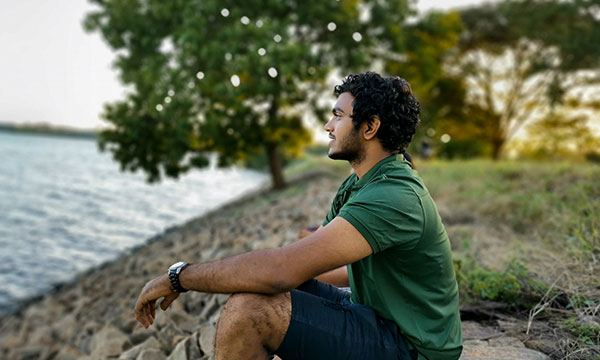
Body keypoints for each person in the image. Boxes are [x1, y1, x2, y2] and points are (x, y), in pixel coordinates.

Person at [134, 72, 462, 360]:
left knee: (252, 309)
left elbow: (279, 271)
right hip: (375, 316)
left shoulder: (394, 196)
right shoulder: (360, 184)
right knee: (276, 286)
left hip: (411, 348)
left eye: (338, 116)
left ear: (370, 126)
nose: (328, 126)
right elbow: (330, 269)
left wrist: (179, 276)